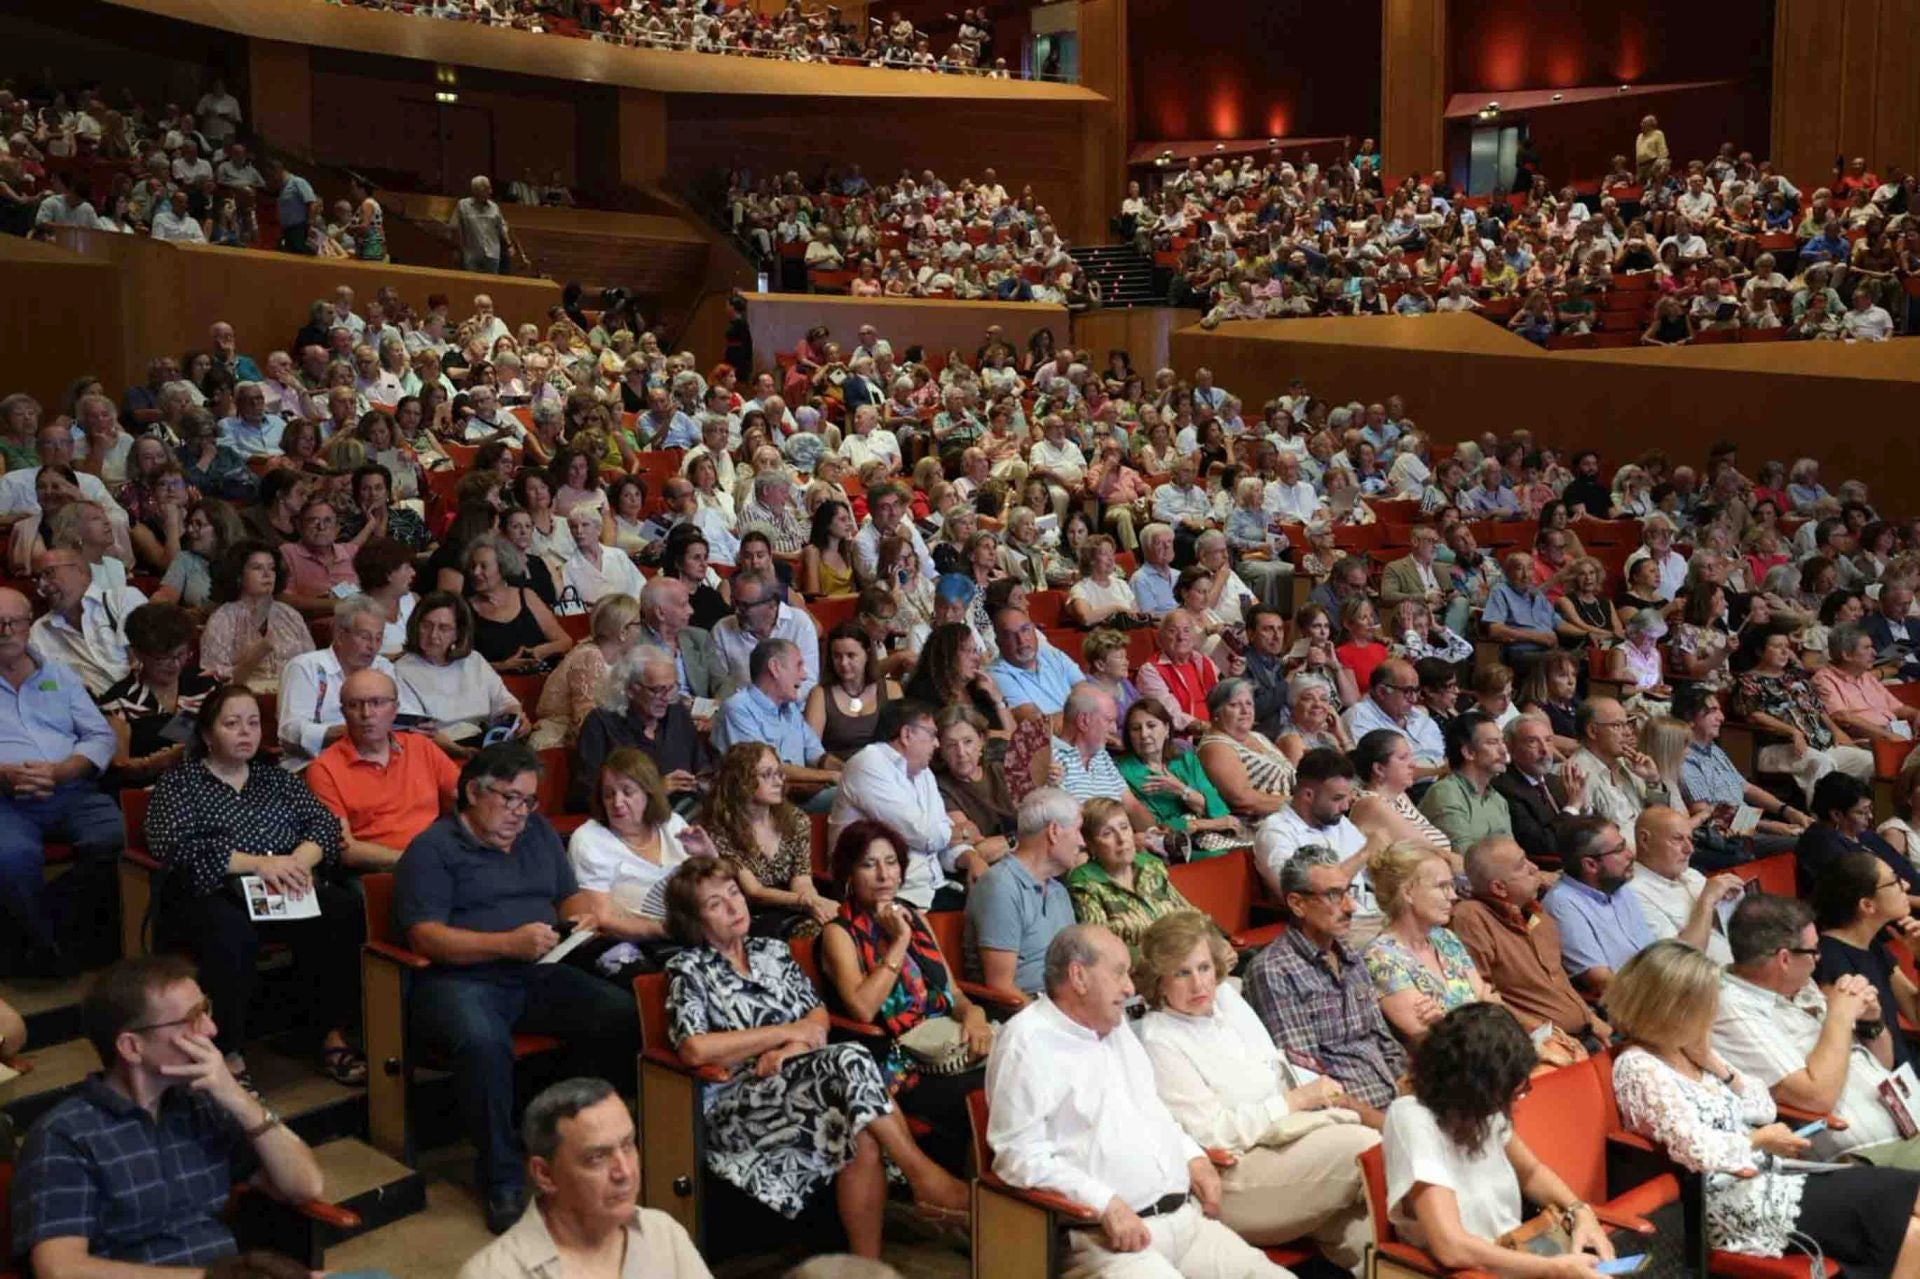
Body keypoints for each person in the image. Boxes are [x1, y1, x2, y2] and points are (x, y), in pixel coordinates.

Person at [662, 857, 969, 1258]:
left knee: (861, 1133)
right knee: (852, 1057)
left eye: (735, 893)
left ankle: (865, 1266)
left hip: (796, 1080)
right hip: (738, 1104)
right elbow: (694, 1047)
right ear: (695, 920)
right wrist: (786, 1033)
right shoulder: (687, 969)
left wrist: (793, 1049)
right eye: (715, 904)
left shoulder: (773, 951)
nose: (734, 907)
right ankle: (924, 1176)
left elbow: (817, 1016)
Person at [394, 743, 642, 1232]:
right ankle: (500, 1176)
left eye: (529, 801)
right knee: (484, 1043)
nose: (519, 813)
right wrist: (505, 943)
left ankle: (568, 1136)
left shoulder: (538, 835)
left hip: (539, 969)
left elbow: (567, 895)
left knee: (621, 1013)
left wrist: (579, 915)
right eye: (509, 799)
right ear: (472, 791)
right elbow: (426, 936)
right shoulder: (432, 850)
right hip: (461, 979)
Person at [984, 924, 1293, 1278]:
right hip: (1108, 1243)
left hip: (1188, 1225)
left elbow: (1153, 1111)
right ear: (1078, 976)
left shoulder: (1116, 1028)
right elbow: (1016, 1156)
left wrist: (1193, 1157)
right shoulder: (1027, 1041)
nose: (1130, 988)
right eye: (1119, 973)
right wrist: (1104, 1203)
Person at [1611, 939, 1920, 1273]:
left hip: (1774, 1175)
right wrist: (1757, 1141)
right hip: (1730, 1200)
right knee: (1911, 1229)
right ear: (1671, 1008)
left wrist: (1718, 1066)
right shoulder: (1639, 1066)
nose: (1712, 1013)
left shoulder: (1691, 1050)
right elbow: (1695, 1150)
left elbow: (1763, 1107)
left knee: (1912, 1203)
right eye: (1704, 1005)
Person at [11, 956, 327, 1278]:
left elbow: (305, 1186)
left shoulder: (201, 1106)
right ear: (132, 1047)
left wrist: (240, 1100)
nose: (211, 1029)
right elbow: (60, 1270)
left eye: (206, 1010)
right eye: (192, 1018)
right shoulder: (65, 1135)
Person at [145, 685, 364, 1088]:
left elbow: (324, 826)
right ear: (209, 735)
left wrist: (297, 861)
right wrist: (260, 865)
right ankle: (227, 1050)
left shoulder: (276, 778)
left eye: (252, 723)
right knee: (231, 934)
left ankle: (328, 1031)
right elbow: (174, 846)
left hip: (281, 884)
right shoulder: (181, 783)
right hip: (211, 889)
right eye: (232, 724)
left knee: (342, 910)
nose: (246, 732)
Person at [1133, 910, 1379, 1268]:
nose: (1199, 985)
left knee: (1370, 1235)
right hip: (1234, 1178)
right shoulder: (1159, 1040)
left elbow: (1276, 1068)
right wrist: (1294, 1101)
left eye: (1203, 968)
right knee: (1366, 1146)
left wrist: (1313, 1094)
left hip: (1290, 1145)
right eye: (1182, 973)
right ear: (1159, 981)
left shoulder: (1228, 1000)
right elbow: (1213, 1135)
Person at [1383, 1003, 1614, 1277]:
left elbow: (1532, 1173)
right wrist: (1552, 1269)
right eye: (1511, 1091)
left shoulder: (1484, 1110)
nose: (1515, 1100)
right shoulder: (1412, 1118)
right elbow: (1451, 1247)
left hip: (1514, 1256)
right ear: (1475, 1086)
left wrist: (1581, 1212)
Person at [818, 818, 995, 1171]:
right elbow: (863, 1009)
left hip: (944, 1042)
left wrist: (974, 1016)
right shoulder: (838, 934)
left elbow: (953, 993)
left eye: (891, 862)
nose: (884, 875)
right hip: (896, 1062)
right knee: (986, 1090)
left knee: (1015, 1069)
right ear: (849, 874)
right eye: (869, 865)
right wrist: (898, 942)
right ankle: (974, 1198)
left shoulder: (914, 916)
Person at [1713, 887, 1920, 1165]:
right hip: (1867, 1155)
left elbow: (1881, 1063)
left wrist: (1872, 1023)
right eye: (1813, 951)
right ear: (1784, 959)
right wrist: (1839, 1016)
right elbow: (1816, 1098)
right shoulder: (1732, 1009)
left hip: (1907, 1123)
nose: (1819, 959)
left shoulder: (1798, 984)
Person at [456, 1077, 711, 1279]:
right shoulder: (493, 1274)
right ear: (544, 1175)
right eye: (597, 1157)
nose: (625, 1172)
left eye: (628, 1145)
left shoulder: (663, 1234)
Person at [0, 585, 123, 975]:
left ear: (27, 625)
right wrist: (3, 773)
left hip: (72, 789)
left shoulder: (60, 675)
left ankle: (52, 925)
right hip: (6, 800)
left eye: (13, 622)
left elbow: (101, 736)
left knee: (119, 838)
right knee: (11, 858)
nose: (5, 630)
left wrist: (64, 769)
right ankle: (46, 947)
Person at [1244, 844, 1407, 1107]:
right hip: (1347, 1114)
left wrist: (1410, 1090)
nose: (1351, 906)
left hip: (1393, 1098)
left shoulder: (1350, 955)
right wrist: (1376, 1119)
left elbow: (1384, 1041)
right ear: (1297, 904)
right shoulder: (1274, 971)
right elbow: (1307, 1073)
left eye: (1348, 892)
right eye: (1334, 895)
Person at [1451, 837, 1612, 1046]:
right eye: (1521, 866)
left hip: (1585, 1034)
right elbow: (1482, 998)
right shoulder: (1471, 918)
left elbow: (1559, 981)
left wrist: (1590, 1019)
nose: (1534, 868)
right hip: (1538, 1047)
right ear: (1499, 888)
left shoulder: (1538, 916)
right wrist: (1545, 1034)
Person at [307, 668, 460, 870]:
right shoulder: (323, 769)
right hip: (379, 870)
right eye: (354, 705)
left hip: (439, 857)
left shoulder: (422, 747)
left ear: (395, 709)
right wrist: (414, 861)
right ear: (343, 713)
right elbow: (345, 849)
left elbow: (467, 801)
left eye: (377, 703)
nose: (366, 714)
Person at [565, 748, 702, 952]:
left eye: (627, 792)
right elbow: (601, 917)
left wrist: (709, 857)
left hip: (699, 931)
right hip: (642, 945)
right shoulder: (589, 839)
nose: (617, 803)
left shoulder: (672, 824)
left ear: (649, 793)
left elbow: (716, 890)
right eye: (609, 795)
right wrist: (667, 930)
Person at [701, 742, 837, 935]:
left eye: (779, 773)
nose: (779, 781)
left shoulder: (796, 819)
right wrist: (806, 901)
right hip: (750, 914)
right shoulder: (721, 830)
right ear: (742, 782)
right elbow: (754, 892)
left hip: (793, 905)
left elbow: (802, 879)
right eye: (767, 774)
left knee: (838, 926)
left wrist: (815, 905)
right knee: (819, 932)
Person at [1253, 747, 1385, 944]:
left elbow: (1374, 869)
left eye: (1347, 797)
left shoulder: (1336, 821)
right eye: (1337, 798)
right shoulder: (1276, 833)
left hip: (1371, 914)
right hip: (1334, 928)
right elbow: (1300, 894)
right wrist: (1365, 852)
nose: (1346, 806)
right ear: (1308, 795)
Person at [1733, 622, 1874, 804]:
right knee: (1822, 762)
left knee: (1867, 760)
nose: (1785, 652)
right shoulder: (1748, 680)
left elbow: (1817, 708)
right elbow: (1754, 715)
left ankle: (1858, 816)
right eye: (1777, 647)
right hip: (1777, 747)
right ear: (1760, 651)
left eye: (1787, 646)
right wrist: (1792, 731)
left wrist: (1837, 731)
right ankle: (1822, 821)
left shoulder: (1795, 677)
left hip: (1819, 743)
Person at [966, 787, 1085, 997]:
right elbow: (1001, 987)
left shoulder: (1058, 890)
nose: (1082, 842)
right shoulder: (1000, 886)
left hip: (1068, 1004)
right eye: (1078, 830)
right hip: (1026, 1014)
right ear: (1054, 831)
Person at [98, 601, 218, 786]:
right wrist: (160, 762)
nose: (175, 664)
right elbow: (120, 768)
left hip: (214, 784)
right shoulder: (119, 701)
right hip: (154, 792)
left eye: (181, 654)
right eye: (163, 658)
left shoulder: (204, 684)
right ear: (138, 654)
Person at [711, 638, 841, 808]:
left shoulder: (791, 708)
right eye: (798, 666)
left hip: (798, 796)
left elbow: (817, 756)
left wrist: (850, 770)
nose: (805, 675)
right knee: (853, 796)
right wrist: (831, 776)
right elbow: (767, 770)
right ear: (775, 668)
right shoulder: (738, 708)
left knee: (861, 788)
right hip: (760, 804)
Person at [1065, 797, 1205, 952]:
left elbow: (1189, 914)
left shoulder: (1150, 865)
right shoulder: (1084, 884)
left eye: (1124, 827)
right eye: (1107, 833)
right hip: (1133, 971)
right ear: (1090, 845)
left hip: (1180, 959)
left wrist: (1214, 944)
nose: (1121, 839)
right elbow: (1100, 949)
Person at [395, 592, 527, 755]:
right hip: (440, 749)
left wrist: (517, 719)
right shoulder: (401, 670)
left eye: (444, 628)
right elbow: (421, 730)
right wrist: (460, 751)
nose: (433, 635)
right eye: (426, 625)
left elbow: (505, 702)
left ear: (458, 634)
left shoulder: (474, 660)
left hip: (486, 740)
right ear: (416, 626)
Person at [1538, 817, 1653, 998]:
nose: (1630, 854)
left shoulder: (1619, 886)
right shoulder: (1563, 905)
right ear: (1591, 865)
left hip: (1659, 984)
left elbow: (1652, 949)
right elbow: (1602, 981)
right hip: (1633, 1003)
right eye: (1619, 849)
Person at [1114, 699, 1244, 857]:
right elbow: (1159, 828)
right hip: (1171, 850)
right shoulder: (1122, 771)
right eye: (1135, 729)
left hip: (1211, 838)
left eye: (1151, 726)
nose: (1144, 734)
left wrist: (1181, 790)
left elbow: (1218, 807)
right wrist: (1209, 823)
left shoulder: (1185, 760)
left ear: (1167, 729)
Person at [278, 594, 397, 762]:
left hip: (374, 760)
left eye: (378, 638)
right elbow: (290, 731)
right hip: (314, 763)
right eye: (364, 637)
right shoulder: (306, 667)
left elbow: (400, 714)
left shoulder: (383, 667)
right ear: (340, 636)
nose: (373, 646)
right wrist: (344, 731)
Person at [28, 546, 146, 697]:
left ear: (80, 572)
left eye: (49, 573)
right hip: (91, 710)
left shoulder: (123, 600)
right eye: (37, 578)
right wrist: (63, 687)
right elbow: (38, 684)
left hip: (144, 702)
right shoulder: (39, 633)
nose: (42, 585)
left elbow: (148, 661)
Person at [1627, 806, 1739, 963]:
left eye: (1690, 839)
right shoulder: (1634, 893)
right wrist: (1707, 900)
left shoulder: (1691, 874)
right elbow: (1682, 963)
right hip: (1709, 981)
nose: (1690, 849)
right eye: (1678, 839)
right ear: (1645, 840)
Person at [529, 592, 639, 750]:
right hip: (561, 740)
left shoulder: (623, 658)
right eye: (638, 624)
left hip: (600, 735)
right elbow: (586, 719)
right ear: (623, 632)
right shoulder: (588, 657)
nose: (641, 630)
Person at [200, 541, 314, 693]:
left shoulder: (290, 615)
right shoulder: (223, 619)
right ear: (239, 576)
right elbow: (213, 679)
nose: (267, 574)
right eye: (257, 568)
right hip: (244, 701)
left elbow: (312, 665)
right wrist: (256, 655)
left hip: (294, 696)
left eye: (272, 568)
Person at [1796, 770, 1920, 905]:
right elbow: (1868, 897)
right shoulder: (1822, 845)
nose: (1871, 817)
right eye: (1862, 812)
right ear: (1836, 815)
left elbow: (1903, 869)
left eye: (1870, 810)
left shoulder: (1864, 834)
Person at [1197, 677, 1298, 821]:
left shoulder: (1257, 736)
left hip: (1291, 815)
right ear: (1216, 714)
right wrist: (1297, 804)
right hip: (1258, 826)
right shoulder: (1215, 746)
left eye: (1249, 704)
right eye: (1234, 705)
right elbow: (1241, 799)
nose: (1245, 710)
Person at [1417, 711, 1515, 855]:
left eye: (1502, 741)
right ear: (1469, 752)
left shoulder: (1498, 800)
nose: (1503, 750)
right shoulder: (1445, 793)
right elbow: (1466, 860)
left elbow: (1512, 854)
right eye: (1492, 743)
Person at [1565, 698, 1658, 849]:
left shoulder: (1629, 765)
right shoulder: (1577, 773)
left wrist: (1653, 780)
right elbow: (1590, 840)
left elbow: (1659, 817)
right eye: (1617, 725)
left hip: (1652, 850)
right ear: (1592, 731)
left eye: (1627, 724)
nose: (1628, 732)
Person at [711, 570, 821, 697]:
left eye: (745, 606)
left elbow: (809, 683)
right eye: (735, 603)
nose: (737, 611)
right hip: (741, 710)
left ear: (772, 604)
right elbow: (720, 685)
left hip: (792, 709)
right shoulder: (722, 630)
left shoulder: (799, 624)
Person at [807, 622, 901, 759]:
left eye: (851, 656)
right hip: (837, 773)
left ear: (868, 654)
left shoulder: (891, 690)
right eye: (837, 656)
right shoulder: (820, 694)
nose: (844, 663)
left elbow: (902, 743)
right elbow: (811, 752)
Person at [1814, 621, 1920, 742]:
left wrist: (1916, 714)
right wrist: (1887, 736)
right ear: (1847, 655)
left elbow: (1897, 708)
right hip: (1868, 741)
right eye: (1866, 648)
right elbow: (1842, 717)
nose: (1874, 653)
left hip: (1896, 734)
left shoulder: (1866, 676)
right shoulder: (1824, 679)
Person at [986, 605, 1086, 722]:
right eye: (1010, 635)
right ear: (998, 643)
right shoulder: (996, 674)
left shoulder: (1052, 655)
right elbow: (1039, 723)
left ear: (1035, 631)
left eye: (1025, 630)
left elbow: (1086, 692)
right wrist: (1084, 715)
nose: (1022, 640)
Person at [1344, 660, 1446, 773]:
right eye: (1407, 691)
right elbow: (1381, 772)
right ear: (1382, 691)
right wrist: (1441, 771)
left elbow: (1442, 754)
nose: (1414, 699)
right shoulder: (1359, 717)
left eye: (1416, 691)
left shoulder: (1419, 716)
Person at [451, 177, 517, 274]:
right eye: (487, 189)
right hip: (471, 254)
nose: (491, 191)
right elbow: (455, 227)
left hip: (492, 253)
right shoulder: (462, 205)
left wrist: (509, 245)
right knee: (471, 283)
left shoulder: (494, 207)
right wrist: (456, 249)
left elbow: (501, 227)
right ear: (477, 190)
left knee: (491, 284)